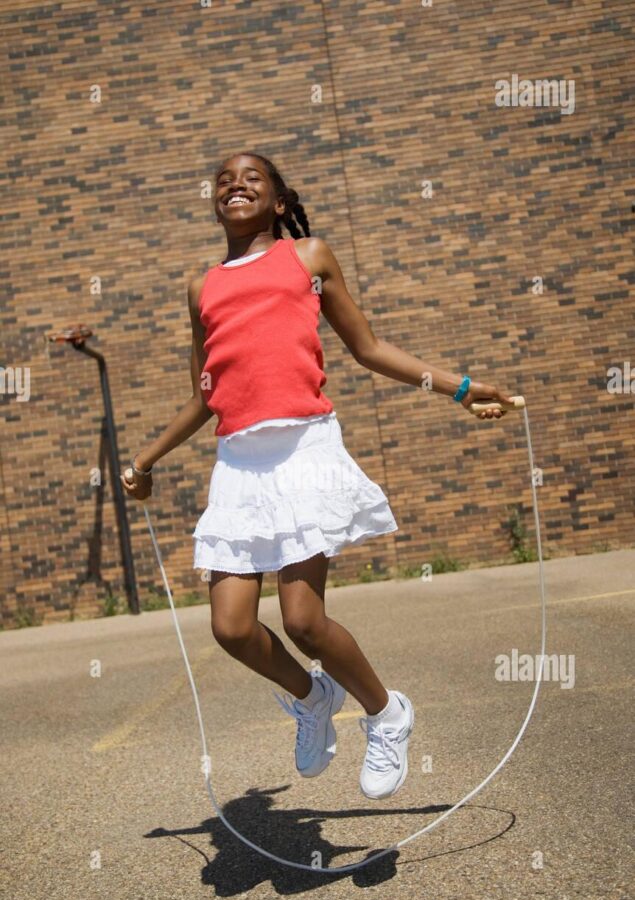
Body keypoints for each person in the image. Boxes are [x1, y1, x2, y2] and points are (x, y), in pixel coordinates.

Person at [122, 151, 516, 800]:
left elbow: (368, 348)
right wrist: (143, 460)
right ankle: (311, 696)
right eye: (223, 180)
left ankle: (386, 713)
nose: (235, 184)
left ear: (279, 201)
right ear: (213, 202)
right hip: (240, 464)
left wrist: (459, 387)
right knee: (231, 628)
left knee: (303, 621)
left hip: (304, 449)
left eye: (252, 177)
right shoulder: (202, 287)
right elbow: (205, 394)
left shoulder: (308, 258)